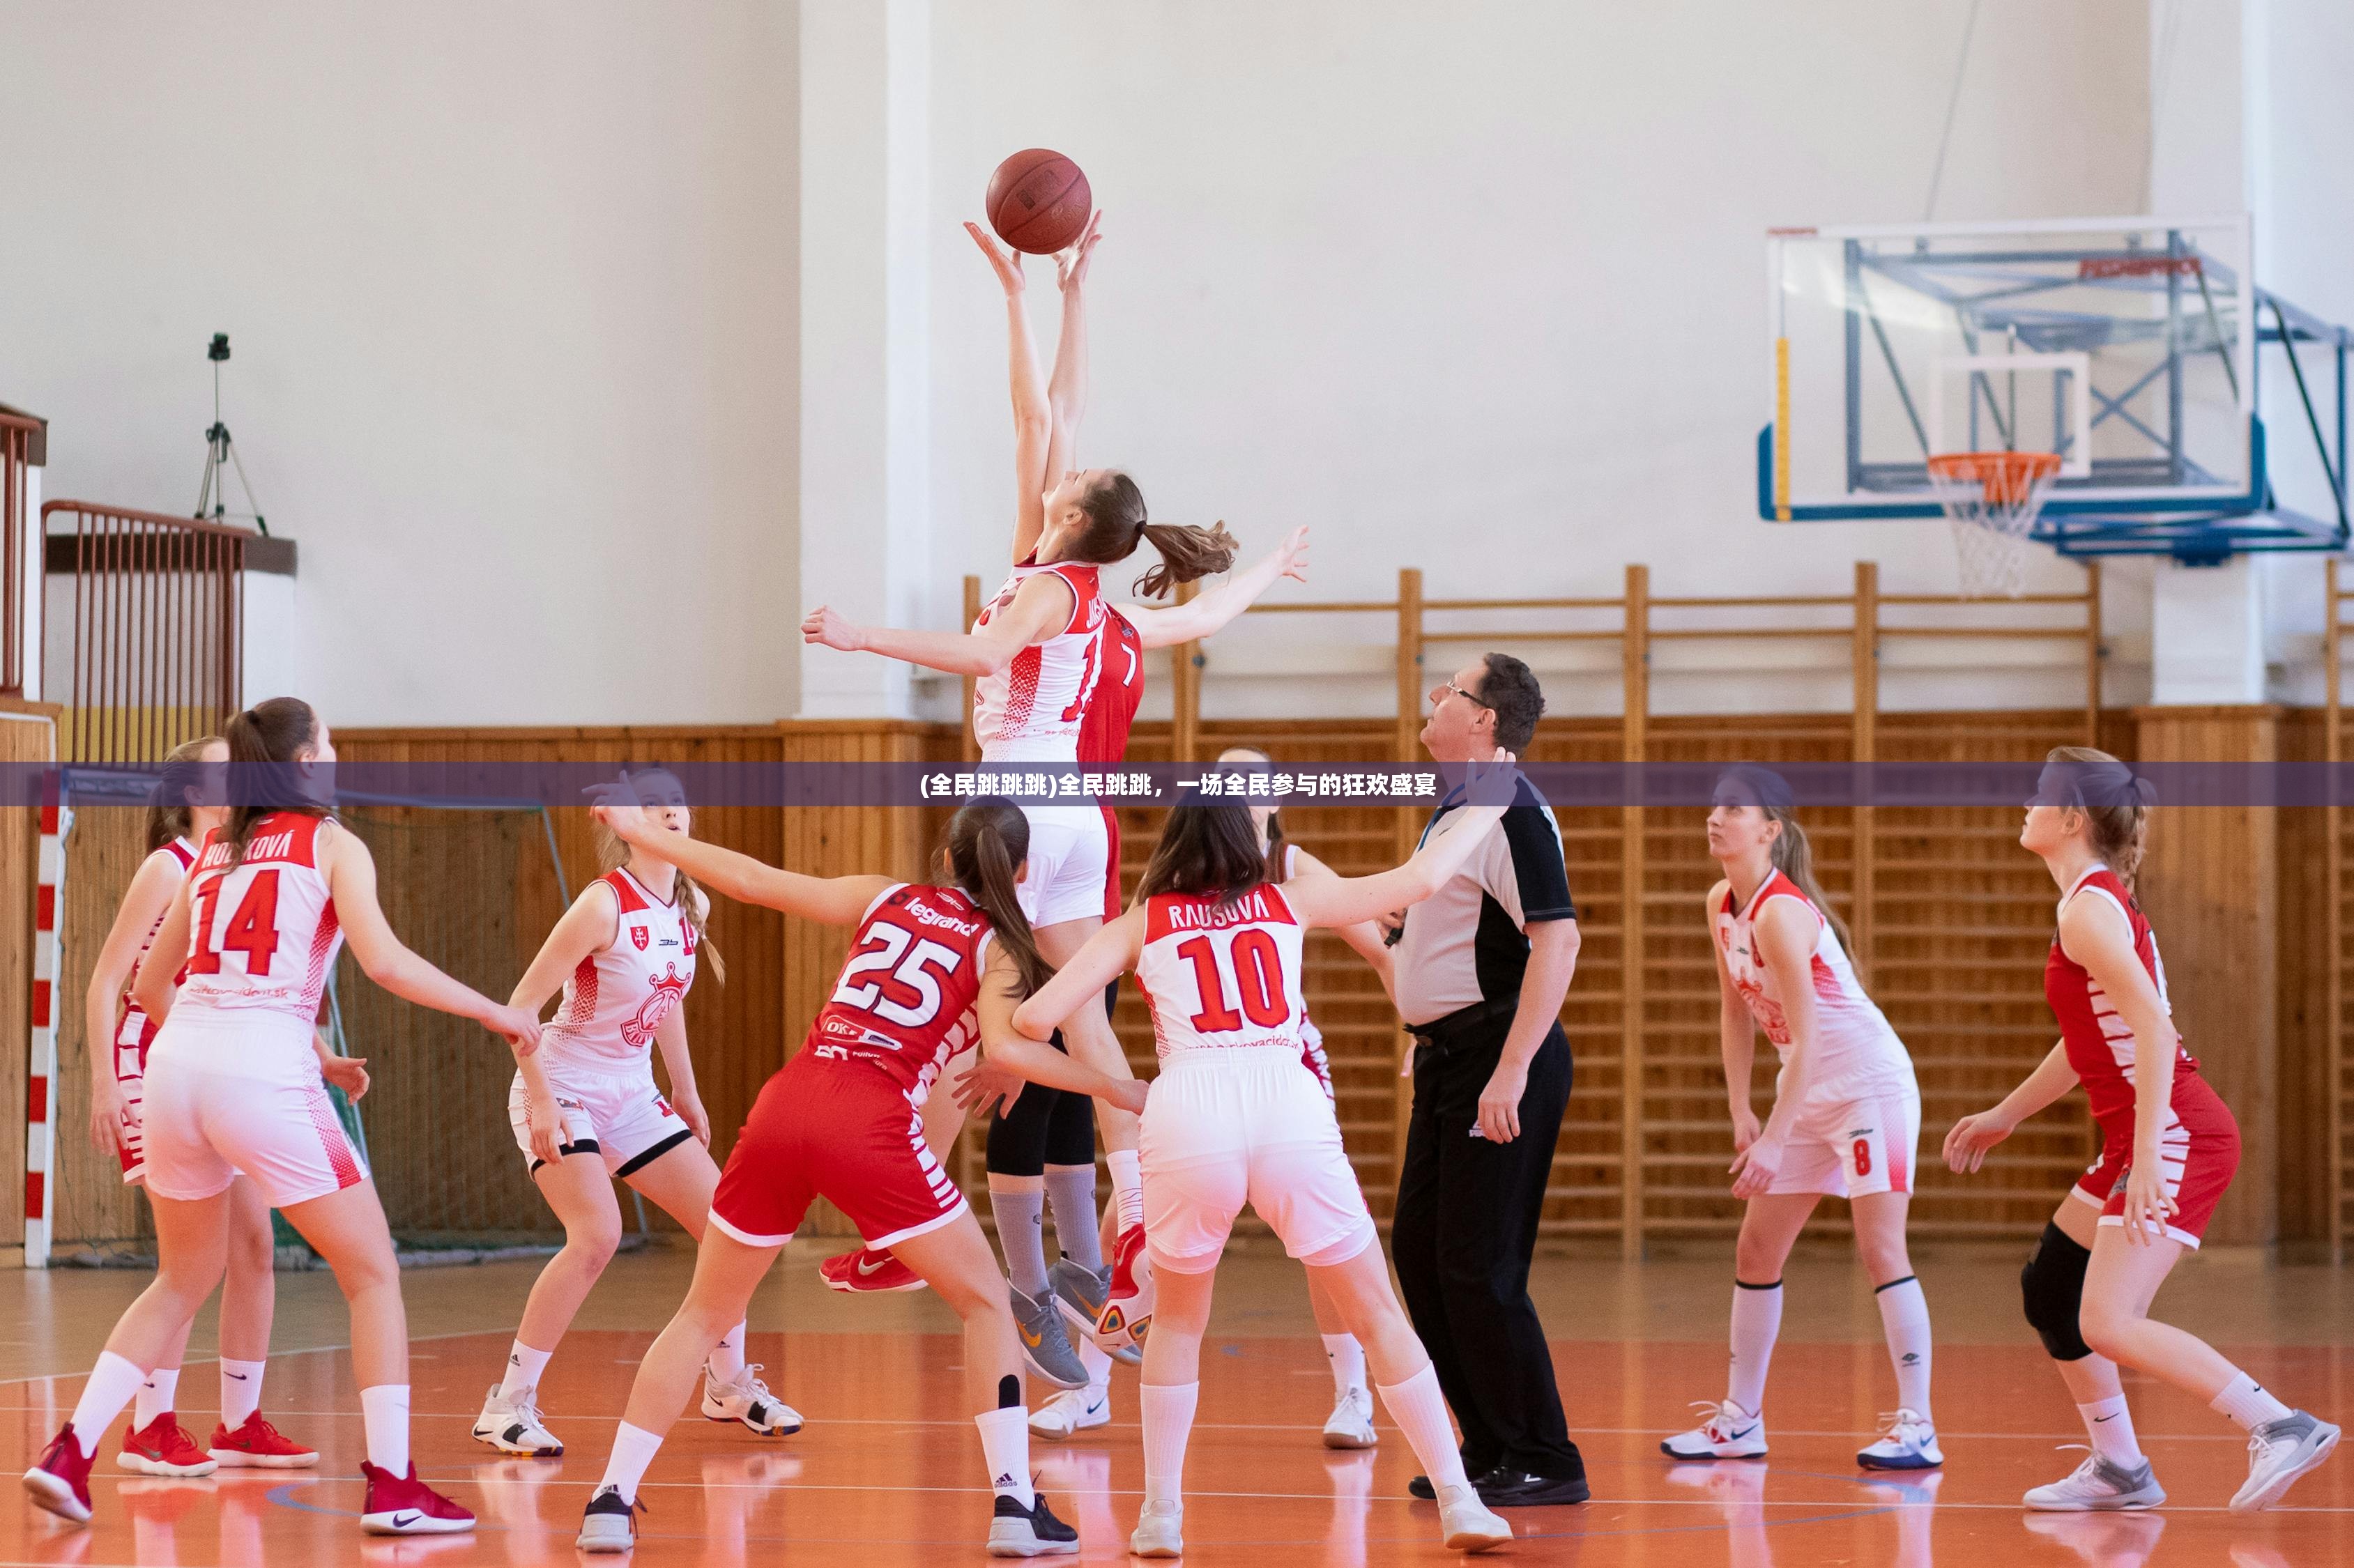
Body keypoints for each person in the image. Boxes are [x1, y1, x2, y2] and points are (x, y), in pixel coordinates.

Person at [802, 212, 1307, 1390]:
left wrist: (856, 634)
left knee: (940, 1008)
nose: (1052, 465)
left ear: (1071, 520)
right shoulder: (1123, 610)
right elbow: (1054, 424)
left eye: (1066, 484)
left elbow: (984, 664)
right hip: (1081, 818)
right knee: (1081, 1018)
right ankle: (1140, 1209)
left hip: (1017, 810)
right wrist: (1047, 297)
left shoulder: (1047, 589)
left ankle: (898, 1226)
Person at [572, 794, 1147, 1558]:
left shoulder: (887, 895)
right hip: (867, 1121)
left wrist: (638, 831)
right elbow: (1014, 1052)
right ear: (1023, 872)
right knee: (983, 1304)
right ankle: (1015, 1506)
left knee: (703, 1315)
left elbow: (749, 878)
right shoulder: (1002, 950)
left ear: (945, 858)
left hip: (786, 1102)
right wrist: (1117, 1088)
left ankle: (610, 1500)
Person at [24, 697, 543, 1535]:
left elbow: (150, 989)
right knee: (372, 1273)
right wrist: (495, 1011)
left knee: (181, 1277)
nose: (335, 754)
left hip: (175, 1068)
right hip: (258, 1071)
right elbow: (385, 962)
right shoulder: (332, 842)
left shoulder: (215, 853)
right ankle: (395, 1485)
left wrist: (257, 1039)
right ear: (303, 762)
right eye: (329, 744)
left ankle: (71, 1452)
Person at [1009, 758, 1527, 1557]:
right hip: (1284, 1099)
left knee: (1179, 1325)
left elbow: (1036, 1018)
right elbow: (1419, 880)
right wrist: (1486, 801)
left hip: (1187, 1108)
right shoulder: (1285, 895)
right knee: (1377, 1312)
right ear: (1247, 831)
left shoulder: (1142, 920)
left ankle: (1159, 1516)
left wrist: (1115, 1086)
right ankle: (1459, 1501)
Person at [1946, 747, 2339, 1513]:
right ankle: (2119, 1468)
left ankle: (2280, 1424)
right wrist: (2005, 1115)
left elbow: (2155, 1035)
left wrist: (2153, 1153)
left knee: (2107, 1320)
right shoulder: (2090, 903)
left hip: (2175, 1129)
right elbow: (2089, 1039)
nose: (2024, 805)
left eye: (2038, 794)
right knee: (2051, 1291)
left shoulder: (2087, 910)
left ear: (2069, 819)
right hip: (2141, 1132)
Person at [475, 764, 795, 1459]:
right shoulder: (601, 905)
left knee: (729, 1230)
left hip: (632, 1090)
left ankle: (728, 1383)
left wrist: (686, 1090)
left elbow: (667, 1004)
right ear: (627, 826)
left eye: (678, 803)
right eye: (654, 806)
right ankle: (508, 1402)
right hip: (563, 1082)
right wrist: (540, 1100)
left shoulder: (687, 906)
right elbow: (517, 1011)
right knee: (595, 1237)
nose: (672, 814)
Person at [83, 735, 351, 1476]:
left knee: (254, 1250)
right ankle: (151, 1423)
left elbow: (245, 989)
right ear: (198, 792)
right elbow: (109, 982)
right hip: (157, 1065)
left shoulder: (244, 861)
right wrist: (104, 1084)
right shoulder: (169, 864)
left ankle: (239, 1422)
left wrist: (322, 1058)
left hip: (224, 1064)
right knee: (192, 1262)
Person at [1660, 763, 1938, 1468]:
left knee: (1880, 1249)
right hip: (1803, 1091)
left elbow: (1810, 1040)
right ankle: (1740, 1421)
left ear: (1770, 830)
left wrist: (1775, 1139)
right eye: (1712, 805)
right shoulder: (1720, 901)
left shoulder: (1781, 913)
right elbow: (1736, 1012)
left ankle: (1917, 1425)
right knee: (1756, 1251)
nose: (1714, 818)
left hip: (1865, 1088)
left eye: (1733, 808)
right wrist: (1741, 1111)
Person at [1389, 653, 1589, 1507]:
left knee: (1478, 1264)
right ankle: (1487, 1444)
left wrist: (1505, 1070)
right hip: (1450, 1059)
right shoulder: (1458, 809)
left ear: (1483, 721)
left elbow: (1557, 939)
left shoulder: (1508, 808)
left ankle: (1544, 1455)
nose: (1433, 698)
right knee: (1423, 1256)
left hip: (1497, 1062)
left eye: (1451, 690)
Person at [1214, 744, 1397, 1448]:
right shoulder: (1180, 872)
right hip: (1206, 1072)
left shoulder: (1290, 868)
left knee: (1323, 1238)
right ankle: (1094, 1387)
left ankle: (1353, 1393)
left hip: (1286, 1067)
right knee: (1129, 1212)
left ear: (1272, 799)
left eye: (1249, 783)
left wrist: (1419, 1026)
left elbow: (1381, 947)